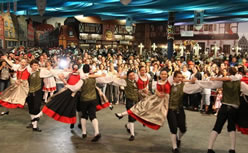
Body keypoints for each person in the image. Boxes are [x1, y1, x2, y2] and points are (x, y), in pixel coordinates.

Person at [195, 67, 242, 153]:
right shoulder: (240, 82)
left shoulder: (223, 82)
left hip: (224, 106)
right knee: (232, 128)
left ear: (228, 72)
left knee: (217, 126)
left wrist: (197, 82)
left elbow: (210, 84)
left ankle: (210, 148)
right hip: (234, 108)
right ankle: (232, 149)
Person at [26, 60, 43, 132]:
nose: (35, 66)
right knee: (31, 108)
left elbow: (52, 72)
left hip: (37, 92)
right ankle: (33, 123)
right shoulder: (28, 73)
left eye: (37, 65)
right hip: (29, 92)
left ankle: (35, 126)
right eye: (34, 65)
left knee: (36, 108)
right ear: (31, 66)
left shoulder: (41, 72)